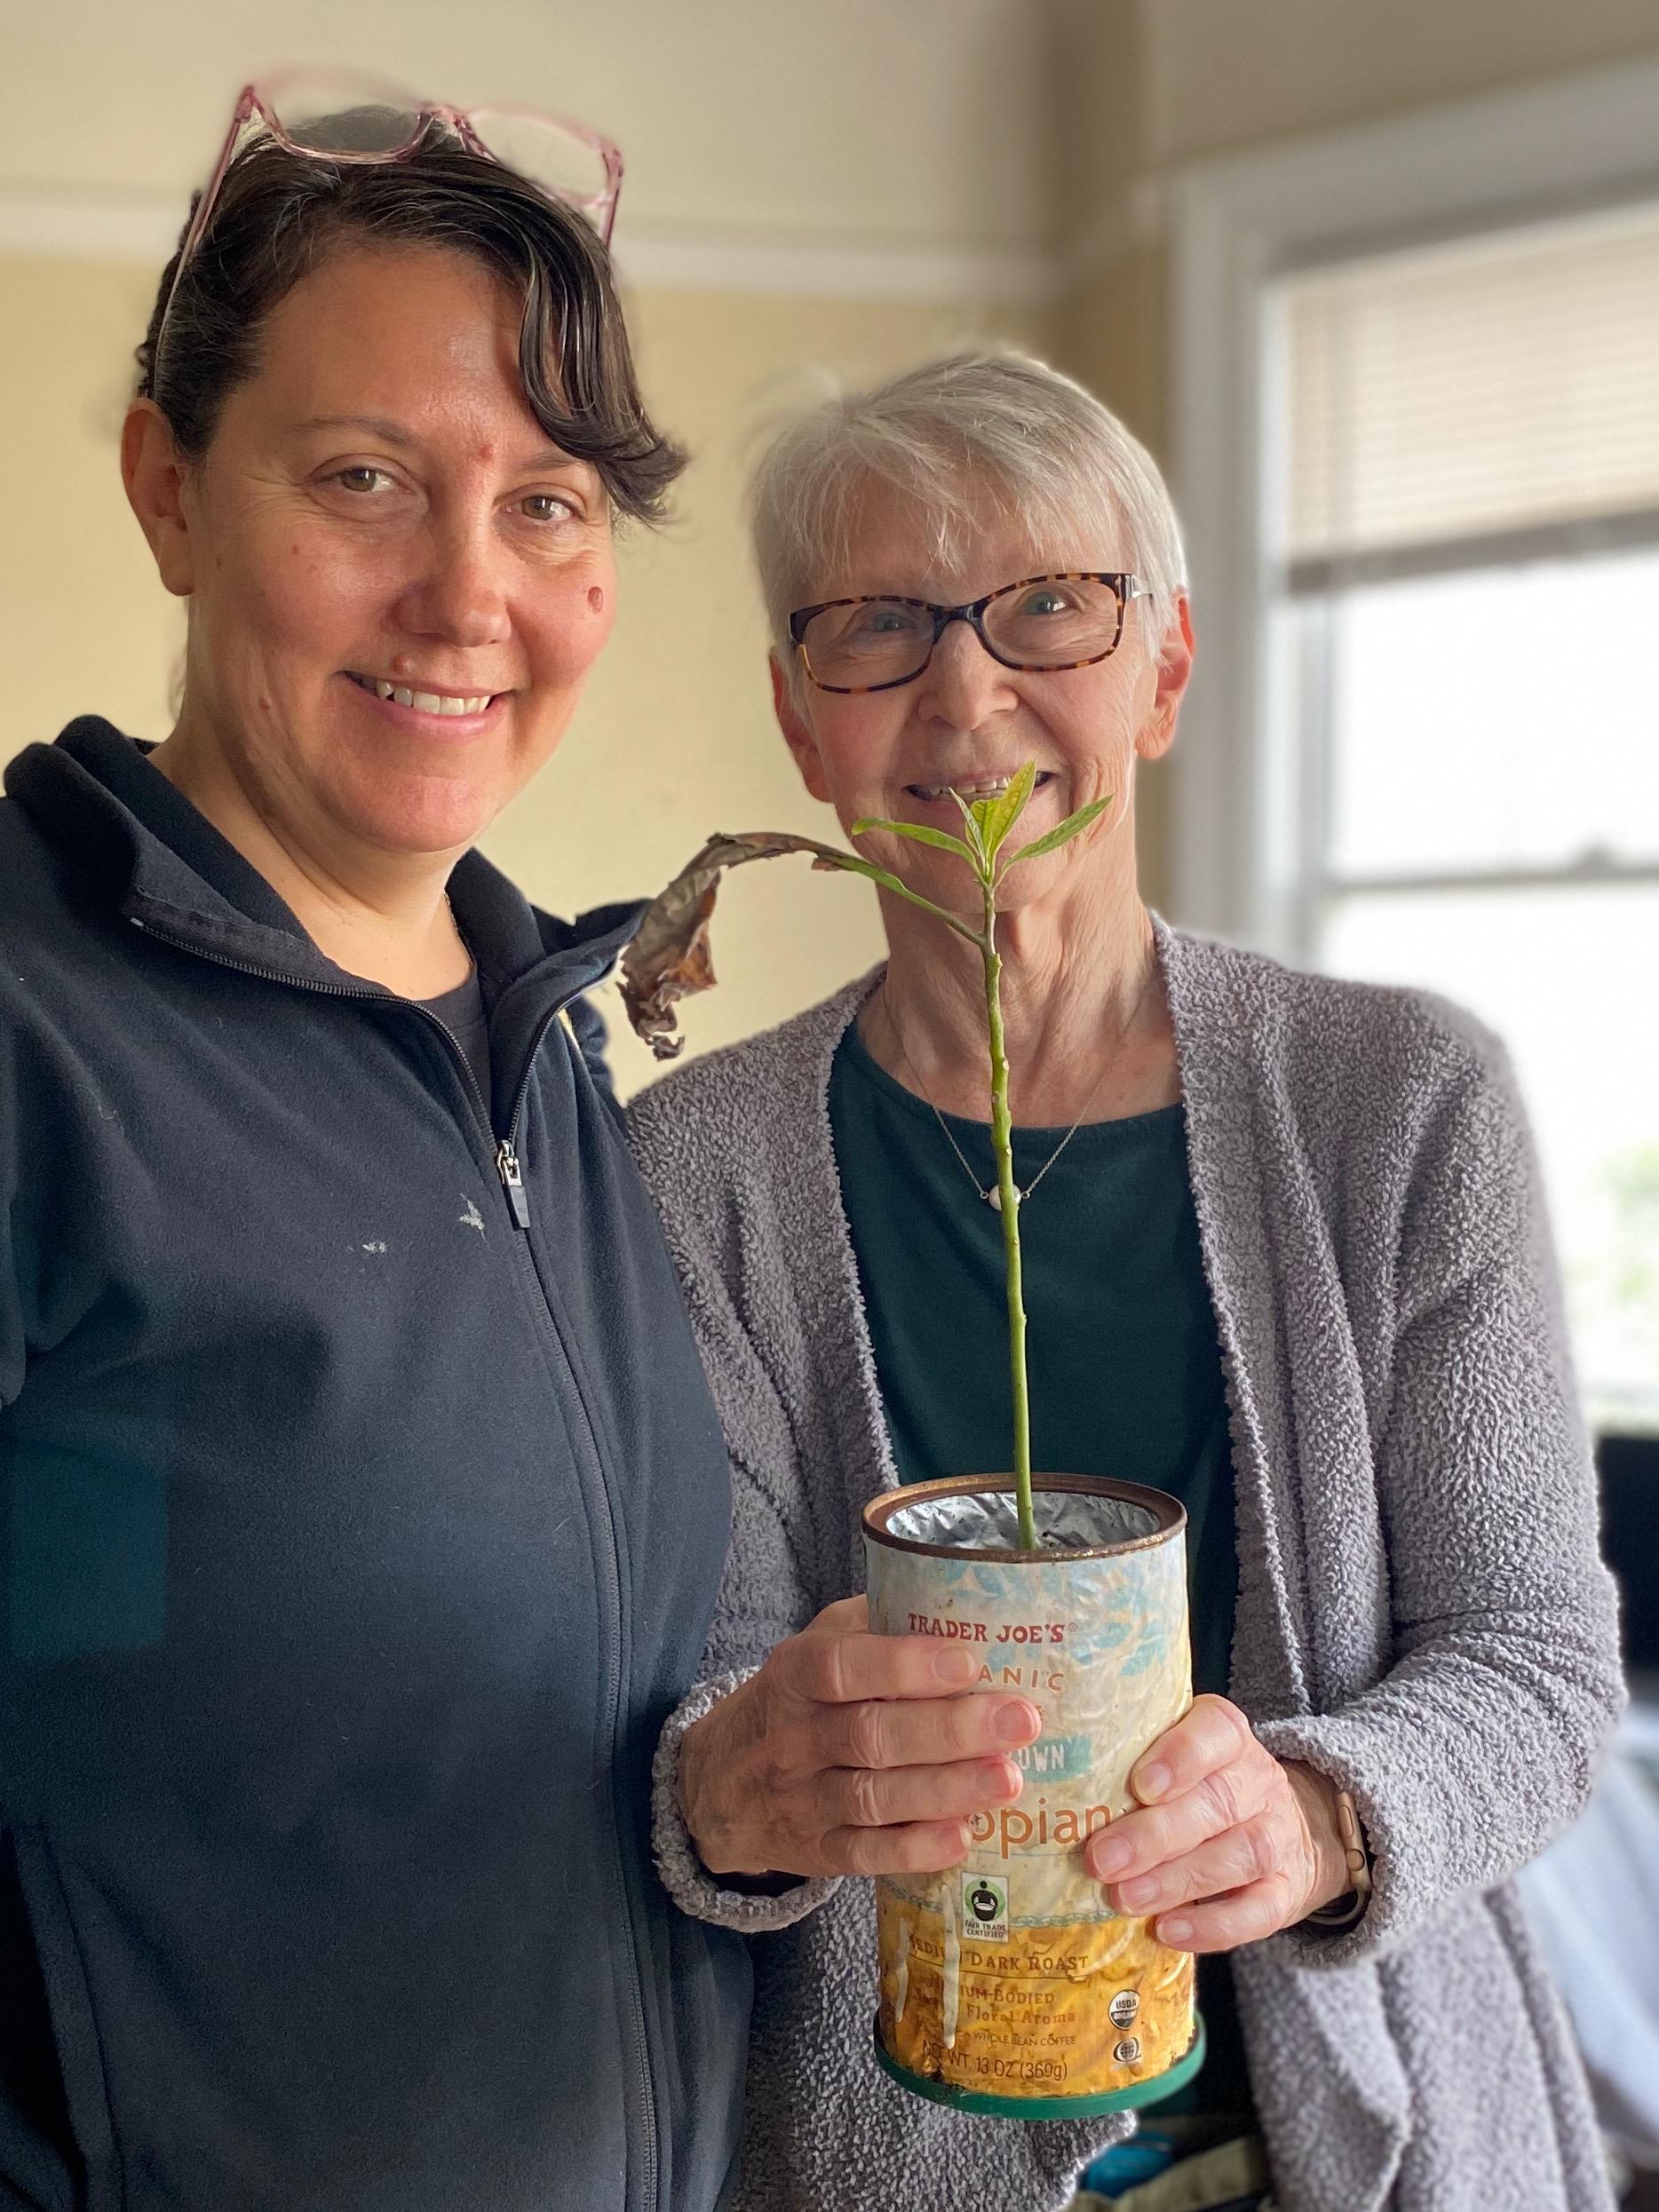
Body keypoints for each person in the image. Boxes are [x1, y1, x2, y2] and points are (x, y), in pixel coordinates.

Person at [628, 352, 1625, 2212]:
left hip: (1392, 2147)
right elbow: (694, 1707)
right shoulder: (692, 1172)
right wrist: (733, 1782)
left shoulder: (1401, 1104)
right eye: (875, 628)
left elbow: (1537, 1663)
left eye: (1049, 610)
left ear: (1161, 669)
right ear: (796, 718)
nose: (964, 693)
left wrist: (1321, 1813)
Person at [0, 81, 746, 2210]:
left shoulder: (541, 1047)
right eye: (362, 479)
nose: (463, 597)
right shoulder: (34, 1042)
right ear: (169, 489)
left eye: (549, 504)